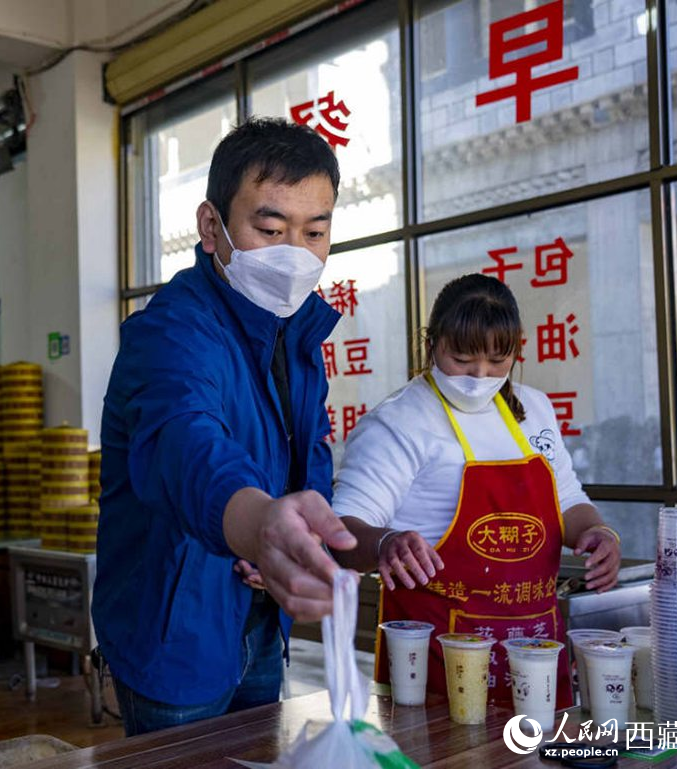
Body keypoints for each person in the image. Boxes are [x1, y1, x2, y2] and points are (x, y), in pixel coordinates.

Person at [92, 118, 358, 736]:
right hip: (175, 627)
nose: (295, 253)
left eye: (314, 232)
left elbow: (309, 453)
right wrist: (260, 524)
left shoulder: (295, 332)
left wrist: (303, 536)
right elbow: (186, 444)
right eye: (270, 229)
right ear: (212, 227)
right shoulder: (171, 331)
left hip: (262, 618)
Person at [333, 273, 622, 708]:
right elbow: (342, 533)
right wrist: (384, 543)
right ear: (432, 343)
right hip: (436, 657)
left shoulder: (535, 409)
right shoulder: (399, 421)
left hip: (533, 650)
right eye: (462, 358)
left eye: (497, 361)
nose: (479, 375)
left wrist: (599, 533)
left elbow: (567, 501)